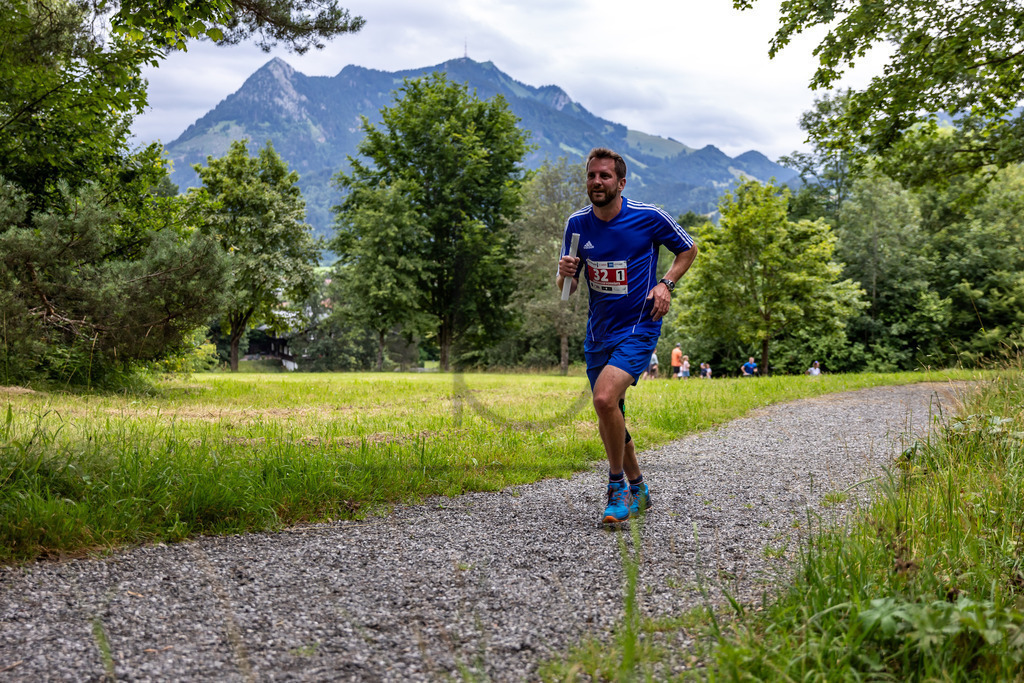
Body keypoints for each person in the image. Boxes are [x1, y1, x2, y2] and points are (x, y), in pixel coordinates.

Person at [557, 147, 697, 525]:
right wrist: (565, 271)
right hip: (598, 333)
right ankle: (639, 485)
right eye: (591, 176)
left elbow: (689, 249)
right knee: (613, 412)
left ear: (620, 182)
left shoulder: (648, 218)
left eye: (604, 176)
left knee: (603, 400)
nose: (597, 182)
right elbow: (565, 290)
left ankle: (615, 487)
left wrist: (666, 284)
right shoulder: (577, 224)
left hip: (639, 326)